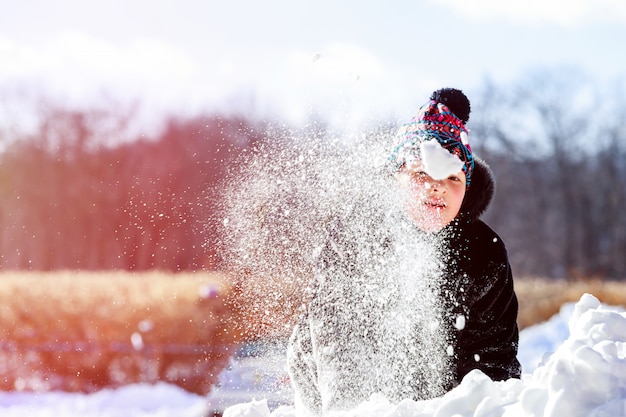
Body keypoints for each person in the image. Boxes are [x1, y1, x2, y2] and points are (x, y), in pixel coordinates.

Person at [287, 88, 521, 416]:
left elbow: (495, 358)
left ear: (466, 186)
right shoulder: (357, 234)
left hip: (442, 397)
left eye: (452, 177)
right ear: (397, 177)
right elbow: (333, 334)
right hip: (338, 386)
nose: (437, 186)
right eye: (421, 173)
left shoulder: (485, 254)